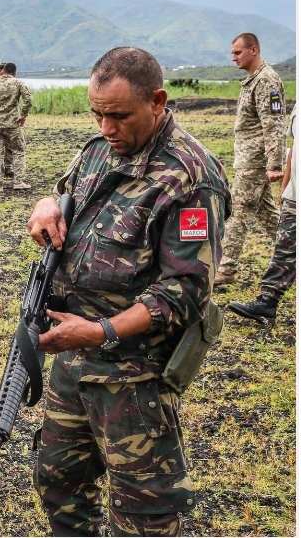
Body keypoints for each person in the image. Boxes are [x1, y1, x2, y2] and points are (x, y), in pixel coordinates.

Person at [26, 46, 229, 537]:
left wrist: (100, 331)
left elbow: (183, 293)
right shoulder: (99, 150)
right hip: (73, 359)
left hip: (133, 375)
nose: (106, 128)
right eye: (97, 114)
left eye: (118, 115)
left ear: (158, 101)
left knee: (144, 511)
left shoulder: (190, 177)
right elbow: (64, 190)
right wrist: (46, 203)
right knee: (58, 479)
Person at [215, 32, 286, 286]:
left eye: (238, 52)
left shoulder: (266, 81)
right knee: (267, 215)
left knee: (239, 212)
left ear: (253, 50)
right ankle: (294, 255)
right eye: (232, 52)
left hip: (256, 161)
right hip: (249, 158)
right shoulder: (253, 80)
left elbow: (274, 124)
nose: (233, 57)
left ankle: (226, 269)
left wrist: (275, 164)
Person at [228, 103, 296, 325]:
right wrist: (287, 186)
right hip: (295, 193)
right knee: (286, 244)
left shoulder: (266, 81)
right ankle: (267, 301)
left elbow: (273, 127)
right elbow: (295, 149)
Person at [0, 61, 33, 190]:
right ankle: (18, 181)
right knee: (18, 151)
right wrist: (23, 115)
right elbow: (28, 100)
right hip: (13, 123)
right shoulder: (18, 83)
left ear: (3, 71)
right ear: (15, 72)